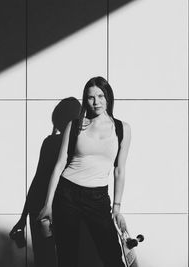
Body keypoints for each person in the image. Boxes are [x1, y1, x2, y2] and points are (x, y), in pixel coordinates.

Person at [37, 76, 131, 267]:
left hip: (98, 197)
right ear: (85, 100)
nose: (96, 102)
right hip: (67, 195)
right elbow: (59, 165)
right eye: (90, 97)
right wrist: (48, 205)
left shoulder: (122, 129)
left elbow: (120, 170)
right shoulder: (75, 125)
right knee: (67, 257)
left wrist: (117, 208)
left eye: (100, 96)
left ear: (108, 97)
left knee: (112, 256)